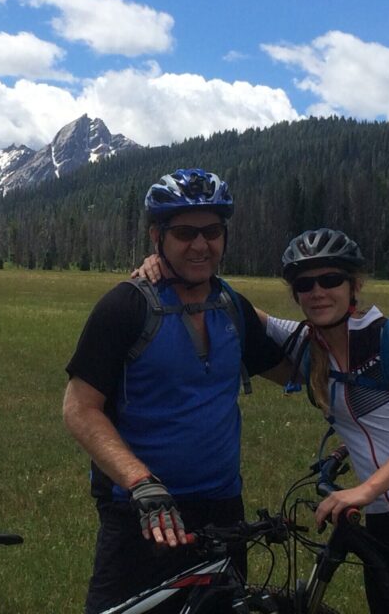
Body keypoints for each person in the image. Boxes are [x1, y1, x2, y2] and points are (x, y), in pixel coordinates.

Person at [136, 227, 389, 613]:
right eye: (305, 284)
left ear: (354, 285)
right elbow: (229, 302)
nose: (318, 292)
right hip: (381, 524)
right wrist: (166, 265)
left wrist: (364, 490)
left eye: (331, 279)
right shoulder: (307, 344)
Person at [63, 169, 291, 614]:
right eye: (185, 233)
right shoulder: (125, 307)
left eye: (212, 232)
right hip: (142, 511)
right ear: (158, 236)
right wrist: (140, 482)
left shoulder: (232, 307)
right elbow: (79, 408)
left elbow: (293, 369)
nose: (201, 245)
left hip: (223, 512)